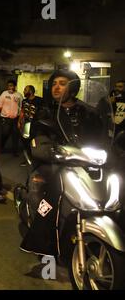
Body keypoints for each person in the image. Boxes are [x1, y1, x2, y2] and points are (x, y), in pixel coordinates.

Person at [20, 70, 102, 255]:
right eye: (54, 83)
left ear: (73, 87)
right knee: (46, 191)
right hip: (54, 163)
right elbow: (37, 138)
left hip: (85, 163)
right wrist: (48, 150)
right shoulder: (45, 111)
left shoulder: (89, 112)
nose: (56, 87)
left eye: (62, 83)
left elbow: (102, 137)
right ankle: (40, 239)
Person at [18, 85, 42, 166]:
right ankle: (28, 159)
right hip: (27, 124)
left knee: (35, 143)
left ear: (31, 91)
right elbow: (22, 111)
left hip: (36, 125)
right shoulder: (24, 101)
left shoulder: (39, 100)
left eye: (25, 90)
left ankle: (36, 160)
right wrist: (19, 121)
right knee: (26, 142)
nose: (24, 91)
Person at [0, 80, 23, 156]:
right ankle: (0, 148)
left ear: (15, 86)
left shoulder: (19, 95)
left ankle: (15, 152)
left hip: (15, 119)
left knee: (15, 135)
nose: (10, 87)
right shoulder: (4, 94)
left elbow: (21, 107)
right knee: (5, 134)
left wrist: (20, 120)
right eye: (9, 86)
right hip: (5, 118)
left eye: (12, 85)